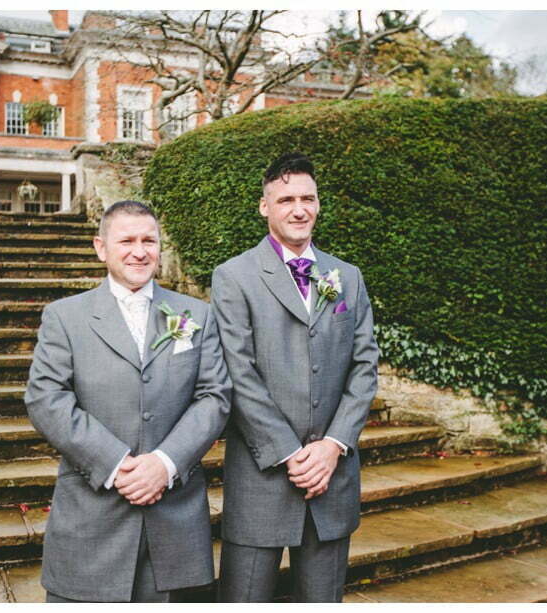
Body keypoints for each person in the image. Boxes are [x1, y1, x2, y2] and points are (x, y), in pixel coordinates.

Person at [25, 200, 231, 602]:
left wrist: (164, 463)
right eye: (127, 241)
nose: (140, 251)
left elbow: (215, 396)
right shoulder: (65, 317)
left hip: (174, 523)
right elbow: (46, 397)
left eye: (149, 240)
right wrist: (118, 465)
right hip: (92, 517)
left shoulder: (196, 315)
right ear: (101, 248)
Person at [211, 152, 379, 602]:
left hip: (332, 480)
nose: (299, 209)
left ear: (319, 204)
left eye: (308, 198)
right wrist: (290, 453)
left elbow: (364, 368)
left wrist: (332, 446)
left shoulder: (347, 277)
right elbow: (237, 372)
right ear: (265, 206)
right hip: (261, 478)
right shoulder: (233, 277)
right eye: (286, 199)